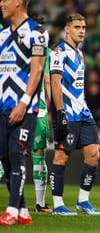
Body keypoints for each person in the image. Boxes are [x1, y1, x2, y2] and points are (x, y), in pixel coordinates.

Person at [0, 0, 49, 226]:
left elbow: (37, 70)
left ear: (18, 1)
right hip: (2, 107)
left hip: (24, 107)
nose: (1, 4)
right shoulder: (1, 34)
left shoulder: (37, 32)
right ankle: (23, 211)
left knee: (17, 155)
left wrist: (24, 102)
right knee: (5, 159)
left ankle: (10, 210)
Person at [49, 13, 100, 216]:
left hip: (83, 112)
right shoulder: (59, 51)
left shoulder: (79, 53)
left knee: (94, 155)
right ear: (67, 29)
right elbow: (55, 82)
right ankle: (58, 204)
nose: (82, 31)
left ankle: (83, 201)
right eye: (77, 27)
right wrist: (60, 112)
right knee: (61, 157)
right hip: (67, 113)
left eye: (84, 27)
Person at [28, 13, 52, 213]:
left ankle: (39, 203)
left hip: (30, 109)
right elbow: (46, 81)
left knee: (9, 156)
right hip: (35, 109)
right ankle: (39, 203)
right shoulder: (46, 51)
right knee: (38, 157)